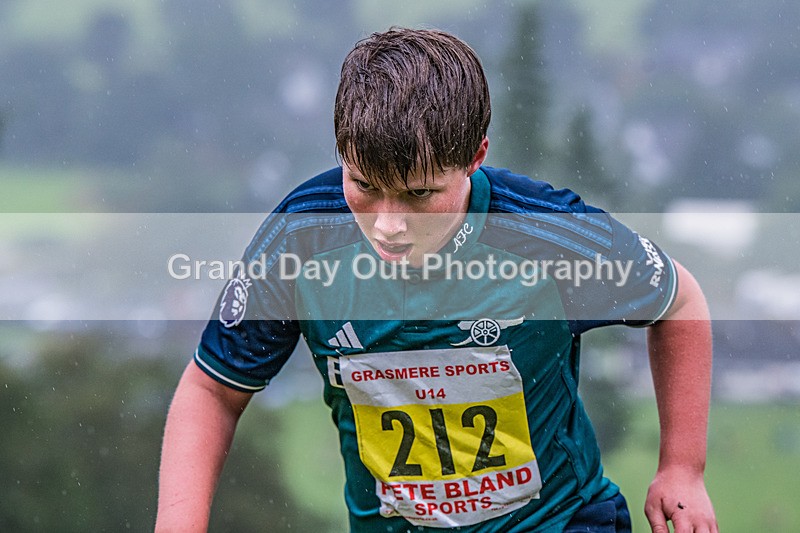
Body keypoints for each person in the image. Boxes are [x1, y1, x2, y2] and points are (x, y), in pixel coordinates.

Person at [156, 28, 718, 532]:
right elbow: (212, 390)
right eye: (365, 186)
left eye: (420, 194)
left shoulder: (546, 232)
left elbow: (679, 300)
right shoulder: (302, 237)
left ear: (474, 157)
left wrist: (682, 468)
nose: (389, 224)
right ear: (340, 154)